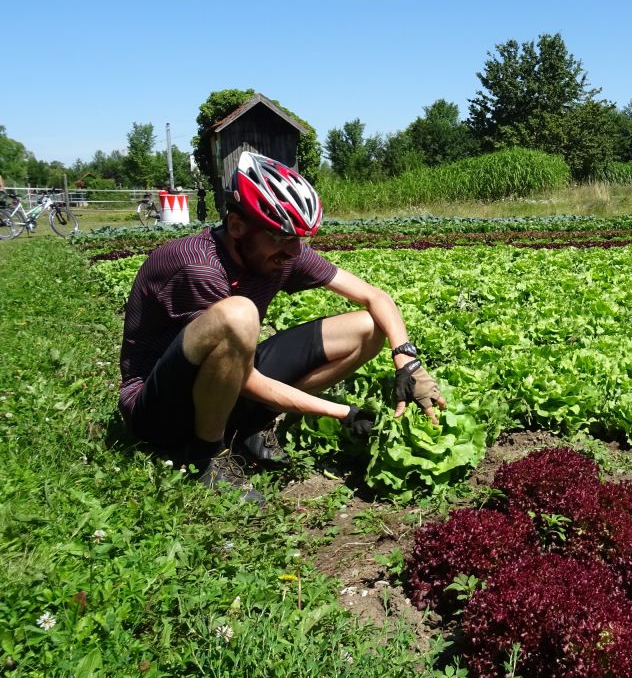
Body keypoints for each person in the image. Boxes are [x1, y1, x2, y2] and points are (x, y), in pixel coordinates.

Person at [119, 151, 445, 502]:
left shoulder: (284, 253)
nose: (293, 251)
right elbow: (242, 377)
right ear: (237, 227)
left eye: (298, 239)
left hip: (221, 382)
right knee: (239, 315)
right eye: (280, 237)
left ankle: (249, 427)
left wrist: (407, 362)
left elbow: (374, 297)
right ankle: (205, 455)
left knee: (368, 327)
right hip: (158, 410)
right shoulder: (199, 267)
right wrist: (342, 412)